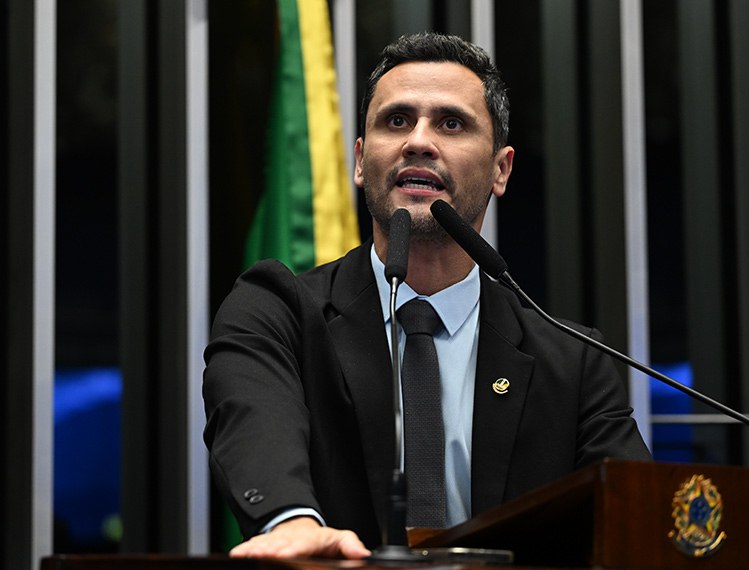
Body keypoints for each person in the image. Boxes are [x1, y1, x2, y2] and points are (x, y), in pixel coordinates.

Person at [203, 31, 657, 560]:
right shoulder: (277, 310)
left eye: (451, 123)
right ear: (358, 160)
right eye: (396, 121)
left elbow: (637, 520)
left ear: (500, 169)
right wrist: (291, 521)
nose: (418, 141)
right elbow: (253, 418)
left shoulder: (571, 362)